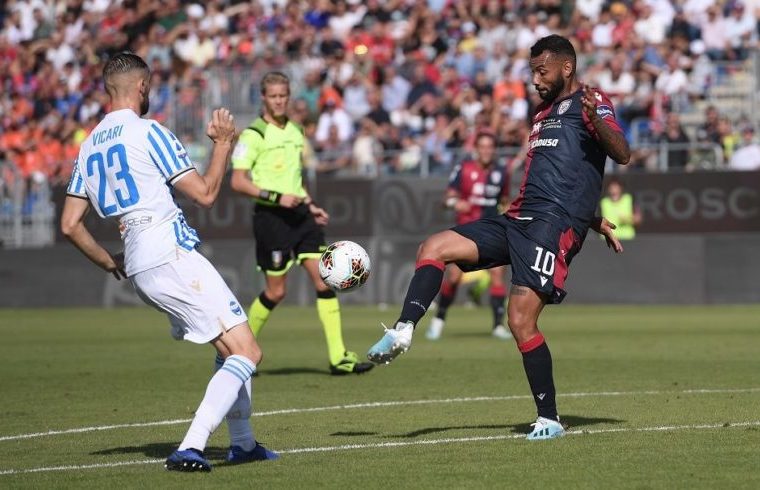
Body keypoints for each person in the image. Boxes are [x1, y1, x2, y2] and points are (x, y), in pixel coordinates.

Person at [367, 35, 629, 440]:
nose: (535, 79)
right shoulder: (542, 112)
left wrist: (596, 124)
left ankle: (550, 419)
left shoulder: (591, 102)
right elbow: (563, 172)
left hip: (551, 225)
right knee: (433, 247)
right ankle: (404, 329)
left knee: (520, 320)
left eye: (541, 71)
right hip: (516, 218)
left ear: (566, 67)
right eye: (532, 72)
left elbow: (622, 152)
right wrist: (594, 218)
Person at [60, 53, 277, 472]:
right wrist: (223, 144)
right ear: (142, 87)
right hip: (169, 251)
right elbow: (207, 193)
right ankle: (190, 447)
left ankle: (244, 444)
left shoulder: (87, 146)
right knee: (248, 352)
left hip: (140, 261)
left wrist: (110, 263)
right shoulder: (148, 131)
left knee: (228, 346)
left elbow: (70, 225)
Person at [230, 71, 374, 376]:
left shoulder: (296, 130)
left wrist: (310, 204)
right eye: (274, 96)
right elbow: (238, 182)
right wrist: (275, 197)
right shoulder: (253, 135)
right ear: (264, 98)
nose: (279, 101)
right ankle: (242, 351)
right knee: (276, 292)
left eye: (284, 95)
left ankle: (339, 358)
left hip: (301, 217)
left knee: (324, 280)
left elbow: (295, 181)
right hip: (272, 219)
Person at [425, 131, 512, 341]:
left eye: (489, 147)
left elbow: (505, 200)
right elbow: (446, 199)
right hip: (466, 232)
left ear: (493, 150)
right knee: (454, 278)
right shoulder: (464, 169)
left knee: (497, 275)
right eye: (482, 146)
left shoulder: (502, 172)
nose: (486, 151)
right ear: (476, 149)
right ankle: (438, 320)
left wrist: (508, 213)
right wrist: (456, 203)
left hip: (492, 231)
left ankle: (498, 326)